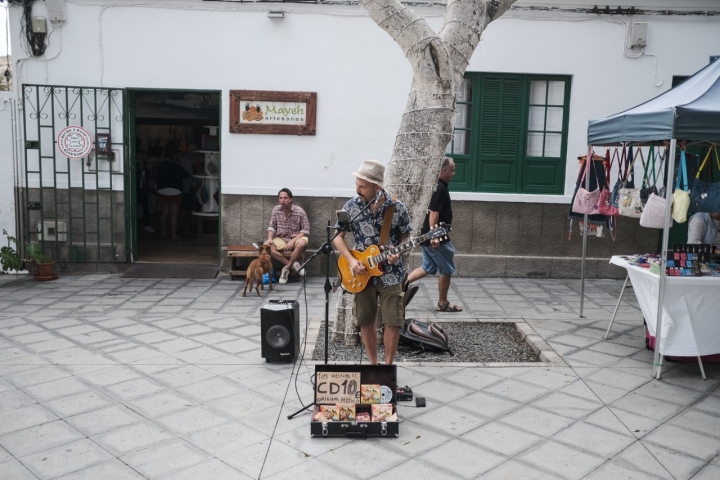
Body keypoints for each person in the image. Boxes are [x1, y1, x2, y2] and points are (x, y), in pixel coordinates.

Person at [333, 159, 411, 365]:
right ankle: (373, 365)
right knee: (365, 320)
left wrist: (398, 252)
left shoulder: (397, 207)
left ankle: (387, 367)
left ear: (377, 187)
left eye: (362, 186)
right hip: (361, 272)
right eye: (357, 184)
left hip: (391, 272)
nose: (357, 189)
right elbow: (337, 237)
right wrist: (350, 261)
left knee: (392, 321)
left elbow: (407, 238)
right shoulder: (351, 206)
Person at [405, 158, 463, 312]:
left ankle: (401, 284)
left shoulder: (438, 186)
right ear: (444, 170)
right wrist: (434, 235)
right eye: (452, 170)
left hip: (430, 236)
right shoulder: (439, 188)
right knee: (447, 269)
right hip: (437, 237)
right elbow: (434, 212)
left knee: (428, 266)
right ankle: (443, 303)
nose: (454, 173)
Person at [262, 188, 310, 284]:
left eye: (285, 198)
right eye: (280, 198)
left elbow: (305, 230)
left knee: (301, 243)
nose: (282, 200)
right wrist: (270, 238)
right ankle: (293, 265)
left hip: (297, 237)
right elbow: (272, 227)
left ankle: (286, 269)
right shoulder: (276, 210)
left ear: (290, 199)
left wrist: (293, 241)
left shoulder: (300, 211)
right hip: (281, 238)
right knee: (267, 247)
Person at [155, 154, 189, 240]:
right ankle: (173, 235)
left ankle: (163, 233)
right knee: (174, 214)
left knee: (164, 213)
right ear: (174, 157)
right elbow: (186, 175)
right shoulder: (176, 166)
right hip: (175, 192)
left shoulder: (160, 165)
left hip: (162, 191)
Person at [136, 152, 154, 233]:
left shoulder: (145, 164)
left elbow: (148, 174)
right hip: (135, 188)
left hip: (143, 188)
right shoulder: (134, 164)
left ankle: (147, 225)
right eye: (140, 154)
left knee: (145, 207)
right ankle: (134, 226)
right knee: (134, 207)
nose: (142, 155)